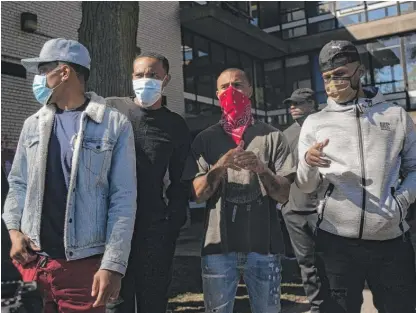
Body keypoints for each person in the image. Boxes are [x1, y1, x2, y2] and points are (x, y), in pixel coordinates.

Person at [2, 38, 137, 313]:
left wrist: (112, 264)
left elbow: (123, 199)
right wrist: (14, 232)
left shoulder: (113, 123)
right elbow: (17, 183)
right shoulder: (33, 124)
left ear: (64, 72)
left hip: (84, 266)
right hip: (34, 264)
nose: (38, 79)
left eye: (43, 70)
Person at [296, 40, 416, 313]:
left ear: (359, 71)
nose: (334, 82)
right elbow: (305, 185)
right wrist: (308, 162)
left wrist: (400, 204)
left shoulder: (395, 115)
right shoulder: (315, 122)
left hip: (390, 243)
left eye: (341, 73)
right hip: (336, 242)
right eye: (327, 77)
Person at [184, 68, 295, 313]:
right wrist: (221, 165)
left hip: (264, 245)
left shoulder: (273, 137)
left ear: (250, 91)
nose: (231, 91)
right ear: (216, 94)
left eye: (237, 85)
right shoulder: (205, 140)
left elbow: (284, 195)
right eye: (224, 87)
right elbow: (198, 195)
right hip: (217, 246)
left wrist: (262, 169)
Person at [106, 52, 191, 313]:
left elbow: (181, 180)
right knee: (114, 303)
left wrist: (172, 223)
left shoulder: (175, 125)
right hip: (113, 228)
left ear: (165, 80)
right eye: (140, 75)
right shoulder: (112, 111)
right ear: (132, 78)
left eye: (153, 75)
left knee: (152, 302)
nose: (146, 80)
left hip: (155, 230)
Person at [281, 88, 327, 313]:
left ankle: (338, 305)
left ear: (312, 103)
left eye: (298, 103)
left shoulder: (327, 127)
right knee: (307, 263)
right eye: (290, 103)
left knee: (332, 261)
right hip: (295, 208)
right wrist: (284, 205)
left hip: (326, 208)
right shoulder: (285, 134)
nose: (292, 107)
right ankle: (317, 306)